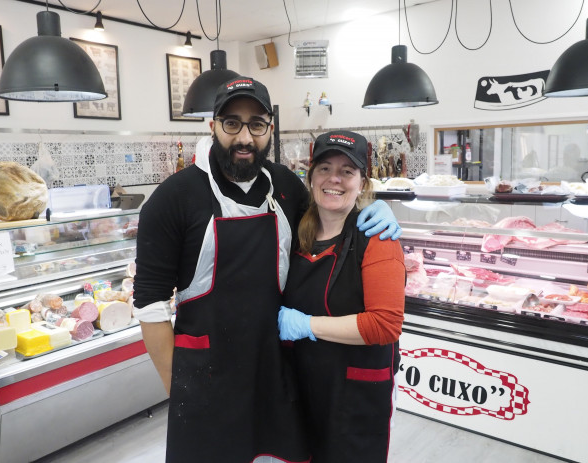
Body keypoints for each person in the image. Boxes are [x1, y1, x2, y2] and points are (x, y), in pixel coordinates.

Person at [133, 77, 402, 463]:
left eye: (256, 124)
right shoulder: (172, 200)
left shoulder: (286, 187)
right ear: (213, 127)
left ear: (269, 130)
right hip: (205, 377)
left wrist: (375, 209)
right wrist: (178, 389)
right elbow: (151, 306)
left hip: (276, 372)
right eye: (232, 123)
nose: (245, 137)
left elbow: (332, 203)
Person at [278, 130, 406, 463]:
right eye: (324, 168)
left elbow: (385, 324)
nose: (334, 178)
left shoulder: (377, 238)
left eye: (347, 171)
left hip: (354, 397)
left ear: (362, 183)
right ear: (310, 176)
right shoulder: (294, 231)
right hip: (302, 385)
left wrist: (307, 325)